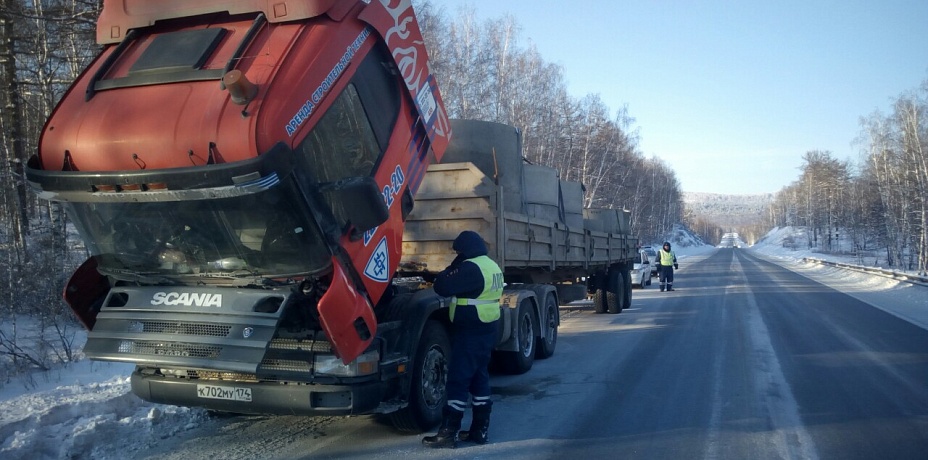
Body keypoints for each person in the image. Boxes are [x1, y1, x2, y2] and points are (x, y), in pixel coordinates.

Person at [422, 230, 503, 448]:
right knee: (479, 377)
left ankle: (448, 433)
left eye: (458, 251)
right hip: (487, 329)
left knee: (458, 379)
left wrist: (453, 265)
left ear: (465, 250)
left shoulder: (470, 268)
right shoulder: (491, 265)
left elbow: (441, 286)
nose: (457, 254)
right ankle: (479, 430)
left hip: (470, 331)